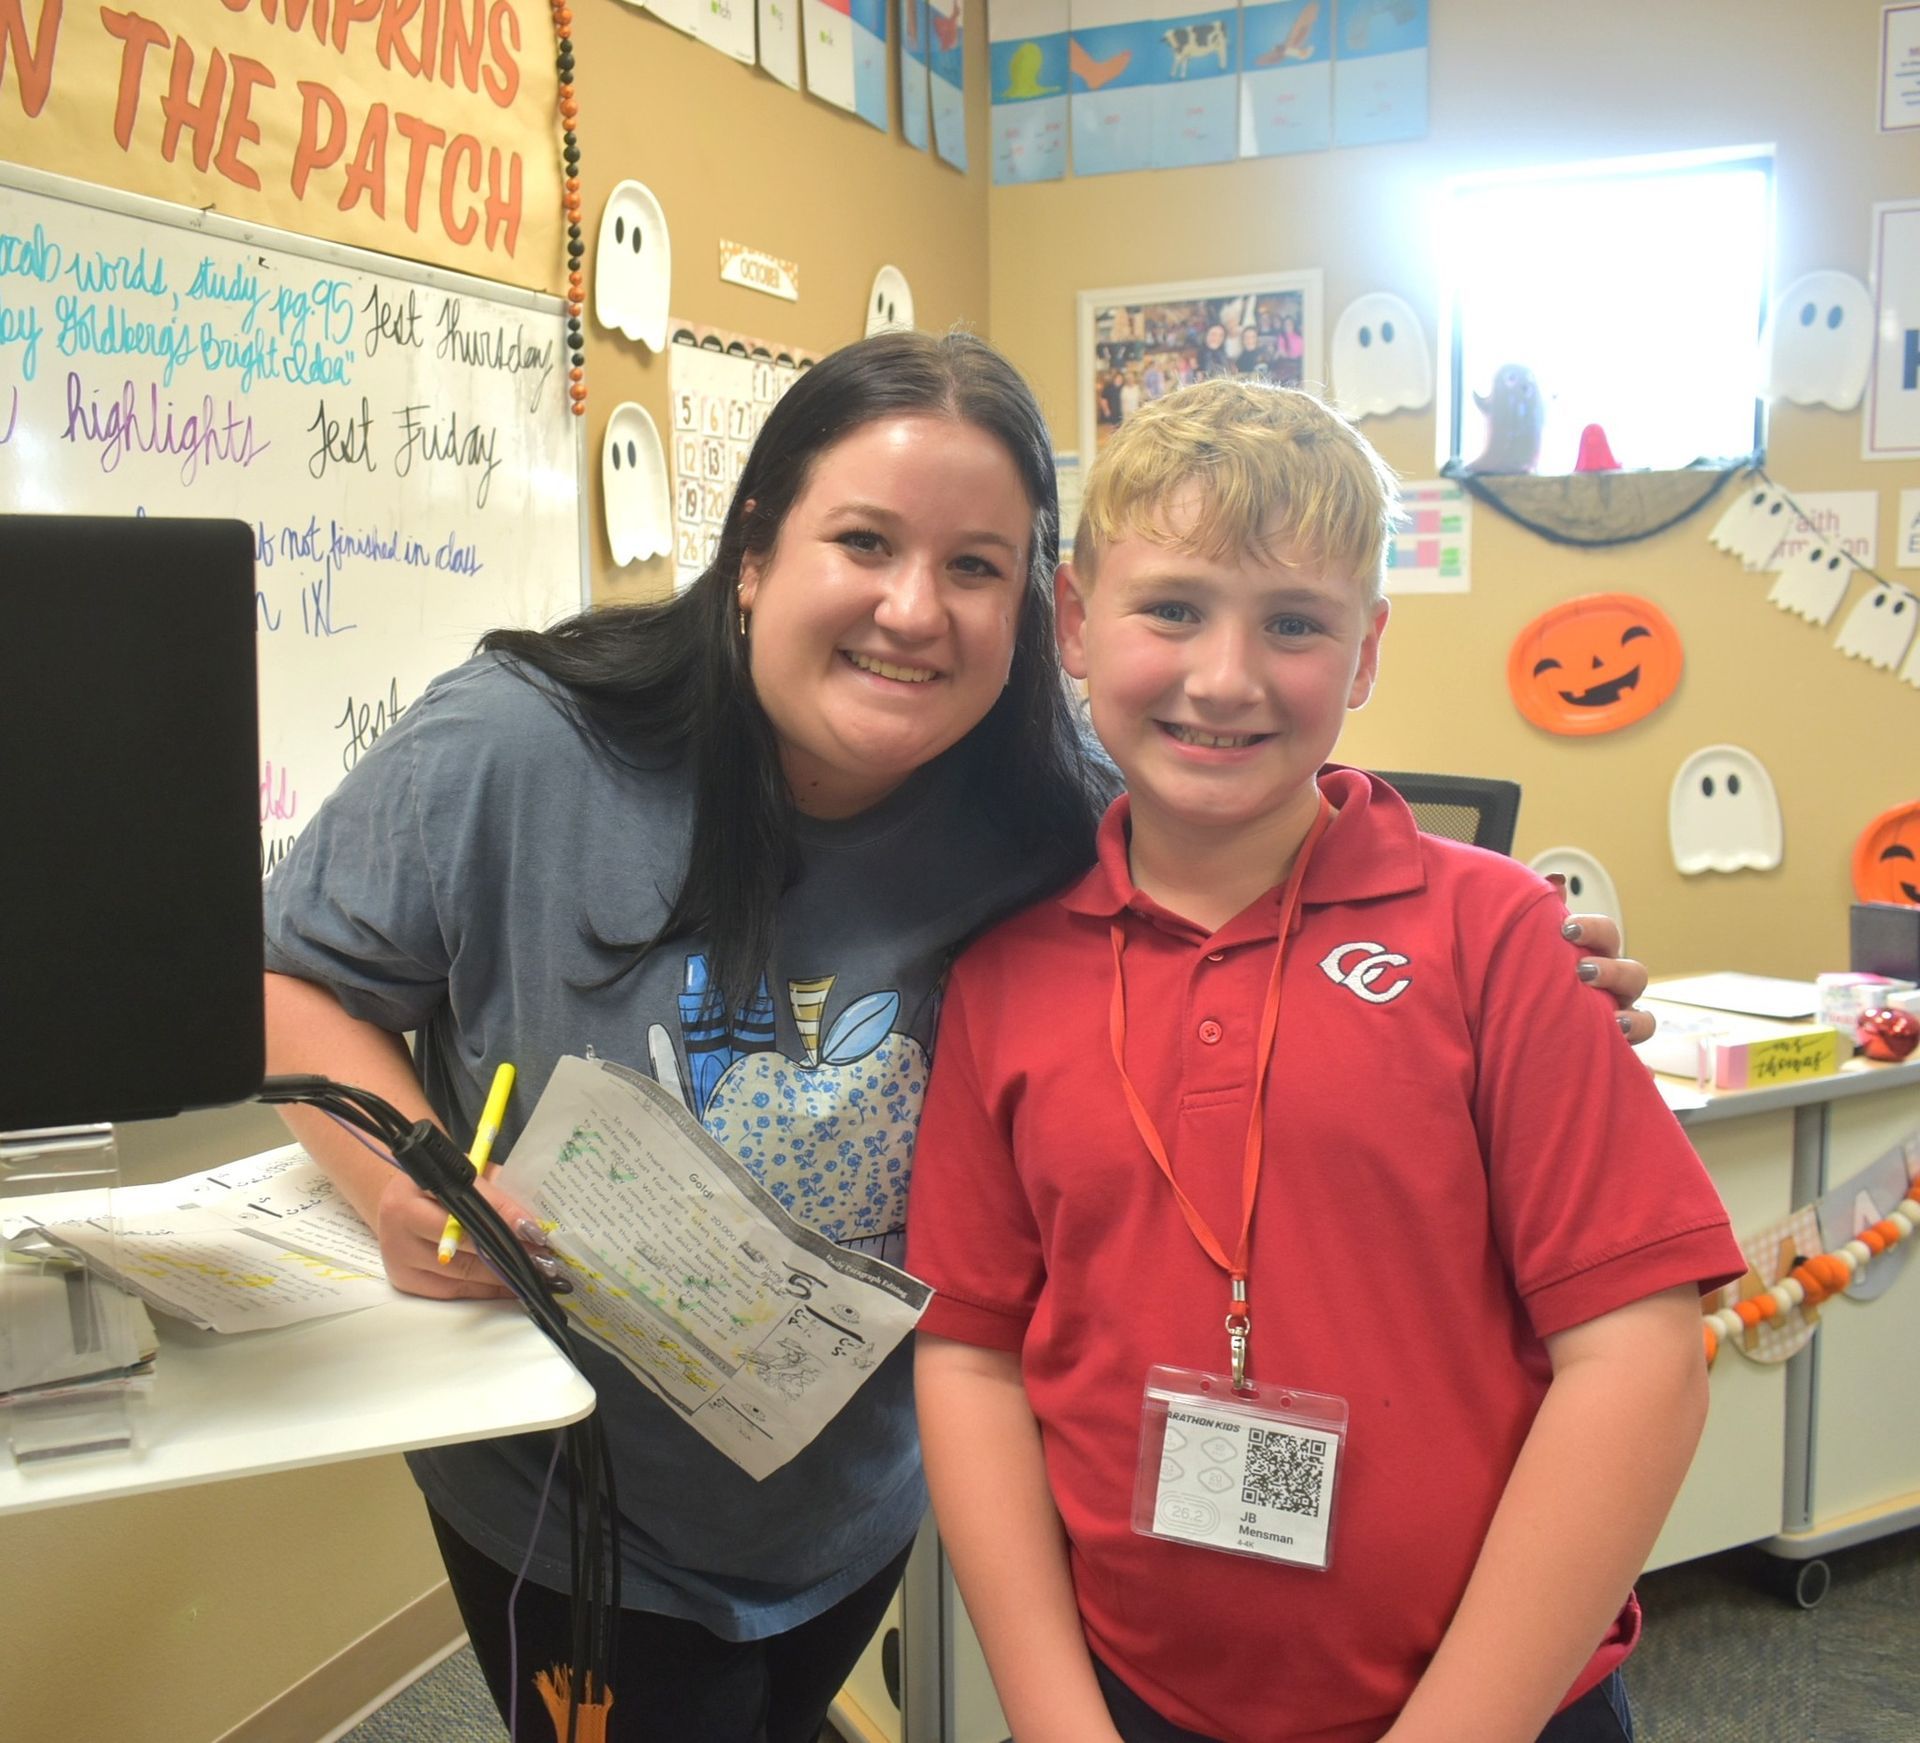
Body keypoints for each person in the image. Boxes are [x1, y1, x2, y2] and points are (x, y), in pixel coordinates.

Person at [260, 334, 1648, 1743]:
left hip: (851, 1493)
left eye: (974, 566)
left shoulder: (1050, 803)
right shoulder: (520, 746)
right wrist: (406, 1184)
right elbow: (289, 975)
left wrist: (1499, 948)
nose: (913, 610)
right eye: (862, 541)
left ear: (1035, 609)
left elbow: (1232, 788)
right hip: (589, 1497)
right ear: (753, 547)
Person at [906, 378, 1744, 1743]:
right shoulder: (1003, 976)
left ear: (1363, 658)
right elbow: (974, 1357)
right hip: (1131, 1702)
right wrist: (1061, 1723)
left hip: (1498, 1710)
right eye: (1171, 608)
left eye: (1294, 624)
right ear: (1072, 619)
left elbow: (1642, 1355)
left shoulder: (1497, 937)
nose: (1225, 677)